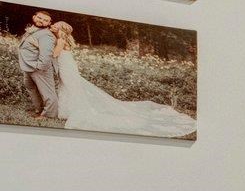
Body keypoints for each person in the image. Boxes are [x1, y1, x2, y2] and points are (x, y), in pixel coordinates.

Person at [48, 20, 196, 138]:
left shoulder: (60, 41)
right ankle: (68, 110)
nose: (53, 26)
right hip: (68, 68)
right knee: (71, 88)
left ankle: (75, 110)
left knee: (70, 88)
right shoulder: (63, 40)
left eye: (56, 25)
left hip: (66, 69)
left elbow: (54, 55)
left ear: (61, 29)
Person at [15, 10, 59, 118]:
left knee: (47, 92)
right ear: (34, 17)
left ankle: (49, 114)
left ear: (49, 23)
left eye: (45, 20)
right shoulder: (33, 30)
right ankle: (39, 109)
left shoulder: (46, 35)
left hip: (38, 68)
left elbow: (46, 54)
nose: (42, 21)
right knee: (30, 87)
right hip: (28, 66)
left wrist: (39, 67)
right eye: (40, 18)